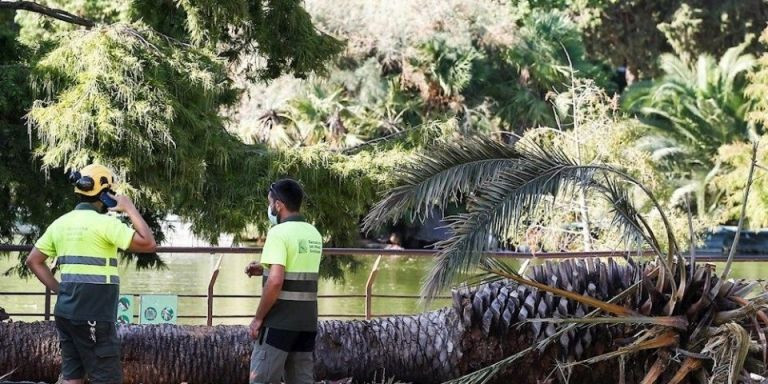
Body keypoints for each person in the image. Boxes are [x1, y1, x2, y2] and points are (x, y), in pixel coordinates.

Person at [25, 164, 157, 384]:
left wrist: (61, 289)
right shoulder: (105, 224)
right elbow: (149, 243)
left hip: (65, 313)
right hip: (93, 314)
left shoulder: (60, 223)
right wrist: (130, 208)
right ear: (104, 193)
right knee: (106, 378)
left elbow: (33, 261)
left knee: (72, 377)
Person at [245, 179, 323, 384]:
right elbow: (298, 269)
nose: (269, 208)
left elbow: (276, 282)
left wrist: (258, 318)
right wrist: (265, 269)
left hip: (279, 322)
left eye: (270, 203)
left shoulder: (278, 233)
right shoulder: (313, 233)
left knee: (261, 379)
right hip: (306, 323)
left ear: (278, 205)